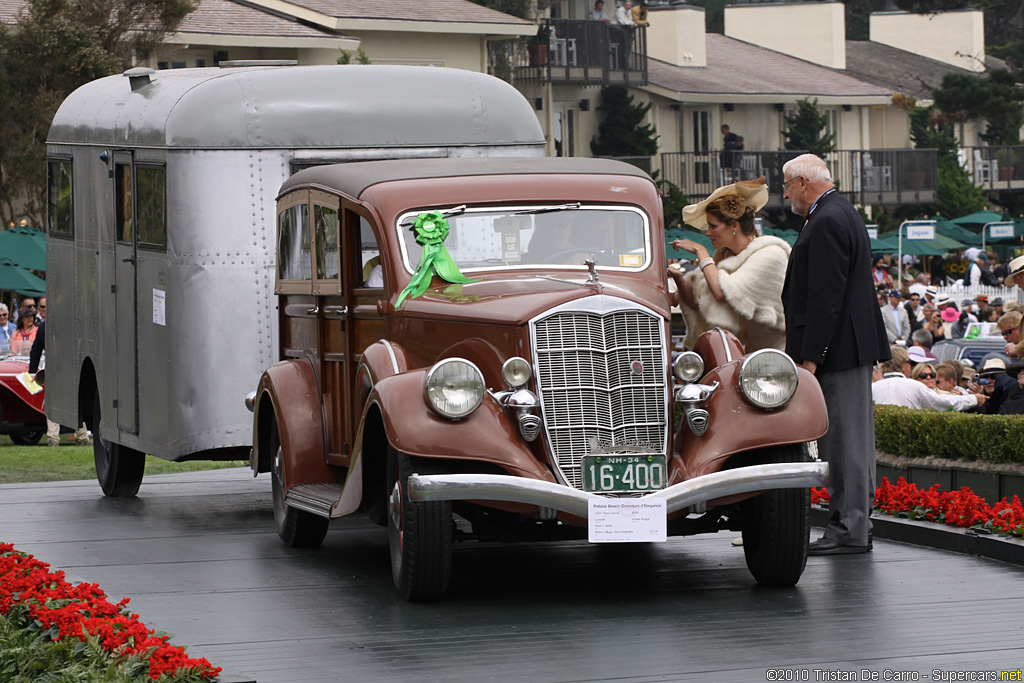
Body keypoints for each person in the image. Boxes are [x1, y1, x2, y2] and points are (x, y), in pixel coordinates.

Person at [780, 153, 890, 556]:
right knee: (850, 439)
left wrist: (811, 357)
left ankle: (850, 528)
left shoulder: (827, 219)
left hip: (838, 349)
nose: (786, 192)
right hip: (847, 345)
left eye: (788, 184)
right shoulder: (837, 212)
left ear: (805, 183)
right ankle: (855, 523)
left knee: (844, 441)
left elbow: (826, 298)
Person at [668, 178, 790, 351]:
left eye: (713, 226)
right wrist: (679, 278)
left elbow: (720, 292)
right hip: (746, 357)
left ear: (734, 226)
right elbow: (698, 302)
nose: (708, 232)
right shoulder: (725, 253)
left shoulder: (770, 254)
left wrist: (701, 251)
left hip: (777, 357)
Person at [872, 346, 983, 411]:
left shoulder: (872, 388)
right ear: (903, 365)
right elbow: (942, 403)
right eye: (908, 362)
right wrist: (973, 399)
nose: (910, 366)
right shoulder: (914, 386)